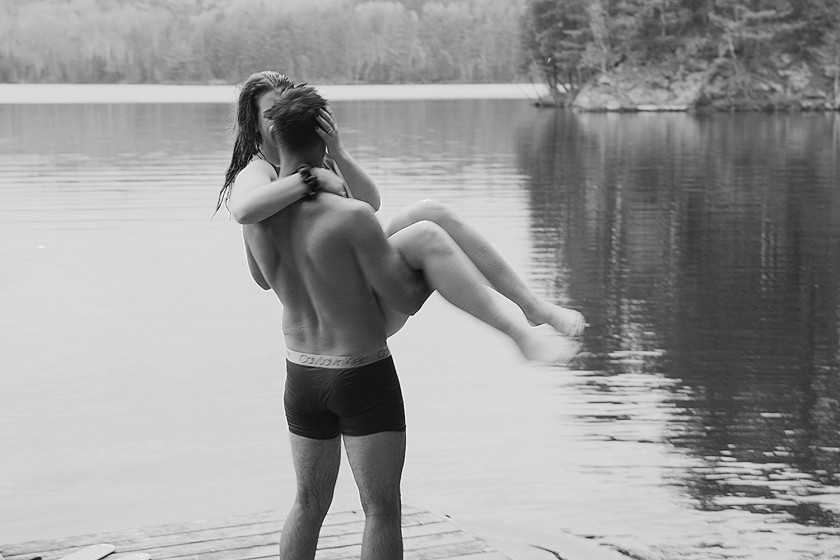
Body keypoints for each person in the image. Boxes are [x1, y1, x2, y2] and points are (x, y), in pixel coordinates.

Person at [217, 71, 586, 353]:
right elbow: (244, 210)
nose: (280, 119)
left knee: (431, 212)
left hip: (361, 276)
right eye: (270, 114)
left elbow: (369, 204)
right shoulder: (259, 170)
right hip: (346, 307)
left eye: (284, 108)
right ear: (255, 124)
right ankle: (517, 336)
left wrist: (337, 152)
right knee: (425, 237)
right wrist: (309, 180)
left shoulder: (317, 156)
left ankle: (532, 306)